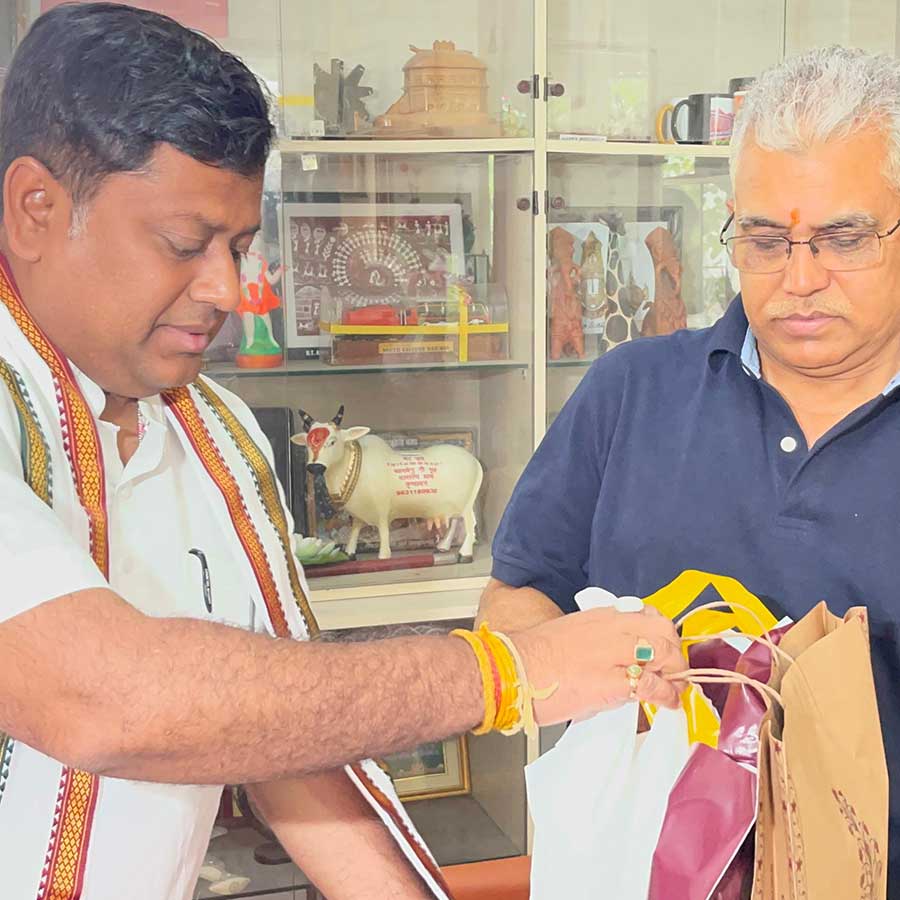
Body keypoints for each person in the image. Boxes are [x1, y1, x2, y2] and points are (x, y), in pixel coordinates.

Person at [0, 4, 685, 899]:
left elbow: (291, 755)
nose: (227, 289)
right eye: (184, 244)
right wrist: (511, 671)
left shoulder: (217, 431)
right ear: (37, 211)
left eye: (239, 246)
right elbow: (99, 698)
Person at [481, 44, 900, 892]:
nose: (801, 278)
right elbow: (514, 603)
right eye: (764, 239)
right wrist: (598, 666)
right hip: (642, 868)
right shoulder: (630, 391)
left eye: (844, 239)